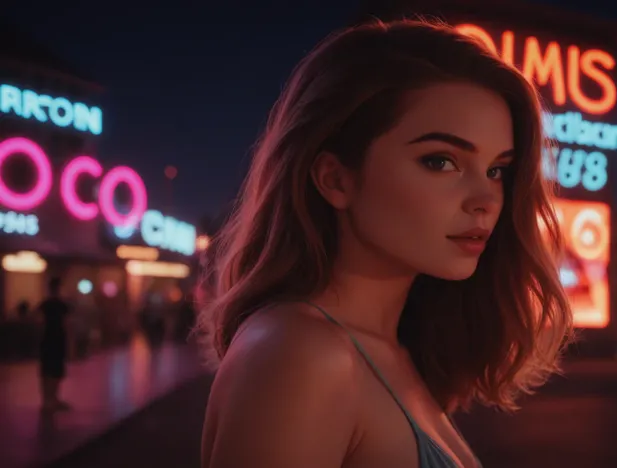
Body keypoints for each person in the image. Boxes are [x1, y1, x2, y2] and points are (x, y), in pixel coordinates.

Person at [198, 19, 573, 468]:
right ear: (335, 179)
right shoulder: (300, 353)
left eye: (496, 170)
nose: (485, 200)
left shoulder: (392, 348)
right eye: (441, 161)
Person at [37, 277, 72, 411]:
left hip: (46, 339)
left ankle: (47, 400)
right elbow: (67, 324)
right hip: (58, 339)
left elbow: (38, 321)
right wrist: (70, 343)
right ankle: (53, 399)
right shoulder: (62, 305)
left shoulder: (45, 304)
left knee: (46, 370)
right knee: (56, 370)